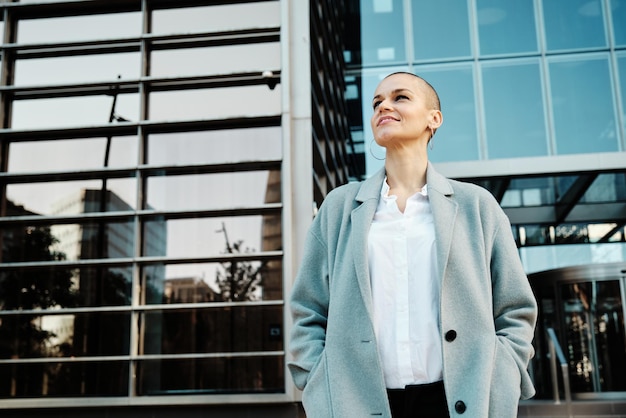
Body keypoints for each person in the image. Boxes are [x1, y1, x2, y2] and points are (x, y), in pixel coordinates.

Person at [288, 72, 538, 417]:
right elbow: (308, 308)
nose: (383, 106)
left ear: (433, 119)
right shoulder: (339, 207)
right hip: (356, 403)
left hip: (459, 402)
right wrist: (317, 380)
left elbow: (515, 309)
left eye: (400, 97)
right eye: (377, 102)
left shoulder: (476, 205)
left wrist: (504, 374)